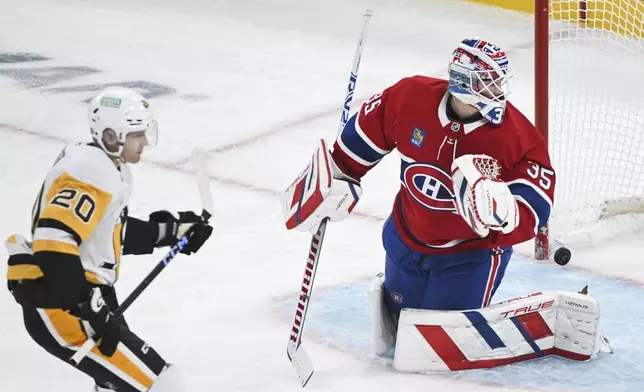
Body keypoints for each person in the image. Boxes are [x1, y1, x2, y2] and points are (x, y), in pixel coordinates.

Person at [281, 38, 555, 354]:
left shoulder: (518, 137)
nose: (497, 91)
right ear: (464, 82)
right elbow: (369, 130)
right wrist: (338, 174)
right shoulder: (411, 98)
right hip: (405, 240)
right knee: (399, 331)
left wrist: (505, 213)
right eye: (488, 81)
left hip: (469, 256)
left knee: (440, 346)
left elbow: (537, 202)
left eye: (498, 82)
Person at [5, 87, 213, 391]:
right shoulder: (88, 170)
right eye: (136, 134)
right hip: (64, 306)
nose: (144, 142)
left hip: (79, 298)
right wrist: (85, 304)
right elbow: (53, 239)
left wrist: (172, 232)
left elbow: (107, 235)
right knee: (163, 385)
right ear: (111, 136)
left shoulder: (103, 164)